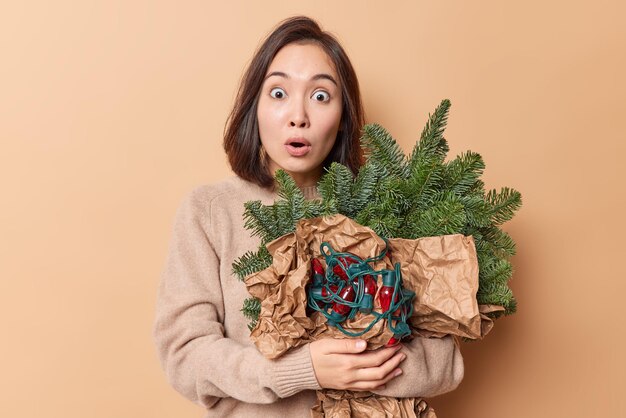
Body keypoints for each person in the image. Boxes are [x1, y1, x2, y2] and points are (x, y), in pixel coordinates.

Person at [153, 16, 464, 417]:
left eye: (320, 96)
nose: (298, 115)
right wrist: (303, 370)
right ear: (255, 106)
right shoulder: (209, 211)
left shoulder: (387, 209)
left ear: (344, 116)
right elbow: (184, 354)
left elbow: (446, 362)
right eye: (279, 92)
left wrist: (353, 366)